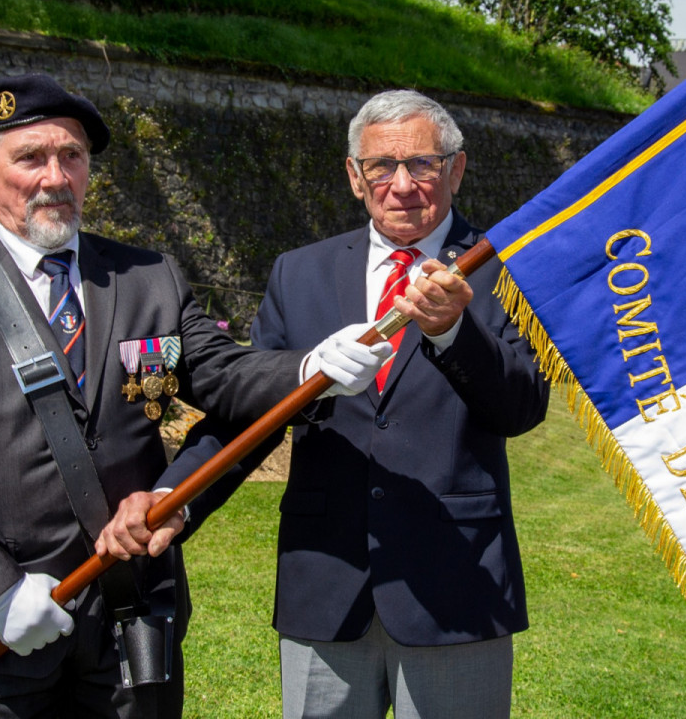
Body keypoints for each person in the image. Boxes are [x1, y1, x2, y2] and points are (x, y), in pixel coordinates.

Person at [0, 73, 390, 718]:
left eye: (72, 156)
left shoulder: (146, 278)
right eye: (30, 157)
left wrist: (309, 368)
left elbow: (223, 377)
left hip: (132, 616)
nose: (55, 177)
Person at [148, 89, 550, 718]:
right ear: (354, 177)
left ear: (457, 169)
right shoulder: (298, 272)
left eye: (422, 164)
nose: (401, 184)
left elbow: (523, 405)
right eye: (380, 167)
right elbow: (251, 410)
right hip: (326, 580)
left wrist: (452, 333)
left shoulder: (508, 268)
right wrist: (176, 498)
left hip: (457, 581)